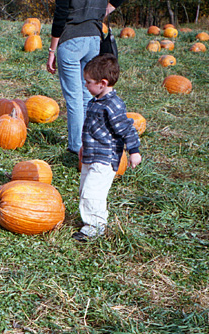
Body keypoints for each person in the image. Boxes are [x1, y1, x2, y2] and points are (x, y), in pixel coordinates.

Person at [74, 53, 141, 241]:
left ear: (102, 83)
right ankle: (90, 221)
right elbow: (92, 130)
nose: (85, 85)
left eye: (88, 82)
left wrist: (134, 151)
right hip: (91, 155)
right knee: (85, 190)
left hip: (104, 158)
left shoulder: (112, 105)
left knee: (92, 192)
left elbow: (126, 128)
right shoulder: (96, 101)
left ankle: (95, 228)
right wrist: (83, 148)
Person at [47, 0, 126, 155]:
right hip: (94, 39)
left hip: (71, 39)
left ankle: (76, 146)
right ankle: (87, 142)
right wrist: (104, 10)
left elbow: (61, 13)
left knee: (74, 98)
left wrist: (52, 50)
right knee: (86, 95)